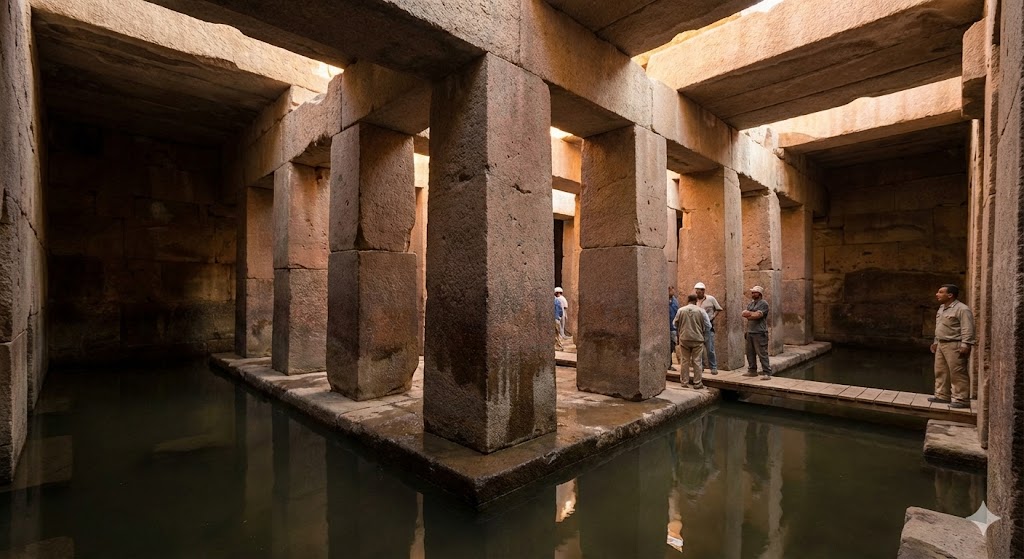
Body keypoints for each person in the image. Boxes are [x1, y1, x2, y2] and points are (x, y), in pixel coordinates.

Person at [929, 284, 976, 409]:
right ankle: (942, 395)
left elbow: (968, 327)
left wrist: (966, 344)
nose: (937, 294)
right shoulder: (942, 308)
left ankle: (961, 399)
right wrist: (935, 342)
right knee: (940, 371)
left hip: (954, 344)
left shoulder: (962, 309)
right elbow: (939, 326)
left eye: (940, 292)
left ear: (950, 295)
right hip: (941, 343)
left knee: (957, 372)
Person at [673, 294, 712, 389]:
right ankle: (697, 383)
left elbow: (674, 324)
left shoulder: (681, 310)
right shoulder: (701, 311)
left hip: (684, 339)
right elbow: (708, 326)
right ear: (696, 301)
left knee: (684, 361)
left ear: (688, 300)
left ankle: (684, 382)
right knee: (697, 361)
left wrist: (682, 329)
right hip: (697, 339)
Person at [741, 286, 772, 380]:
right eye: (752, 292)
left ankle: (767, 372)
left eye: (755, 292)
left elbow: (757, 315)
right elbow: (744, 313)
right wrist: (751, 314)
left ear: (759, 294)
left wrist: (750, 314)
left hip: (760, 332)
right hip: (750, 331)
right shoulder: (751, 304)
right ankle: (752, 370)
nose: (753, 294)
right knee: (750, 352)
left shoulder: (764, 304)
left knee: (762, 353)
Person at [694, 282, 723, 375]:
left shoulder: (710, 299)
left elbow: (719, 309)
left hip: (708, 326)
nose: (697, 294)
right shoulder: (695, 300)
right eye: (696, 292)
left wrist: (713, 316)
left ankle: (713, 367)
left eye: (699, 292)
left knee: (710, 348)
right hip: (697, 327)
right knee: (699, 349)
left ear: (703, 291)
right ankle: (701, 366)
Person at [668, 286, 680, 369]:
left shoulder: (675, 301)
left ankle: (669, 363)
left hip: (673, 328)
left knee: (672, 345)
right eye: (671, 290)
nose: (673, 291)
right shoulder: (664, 300)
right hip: (666, 327)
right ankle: (669, 364)